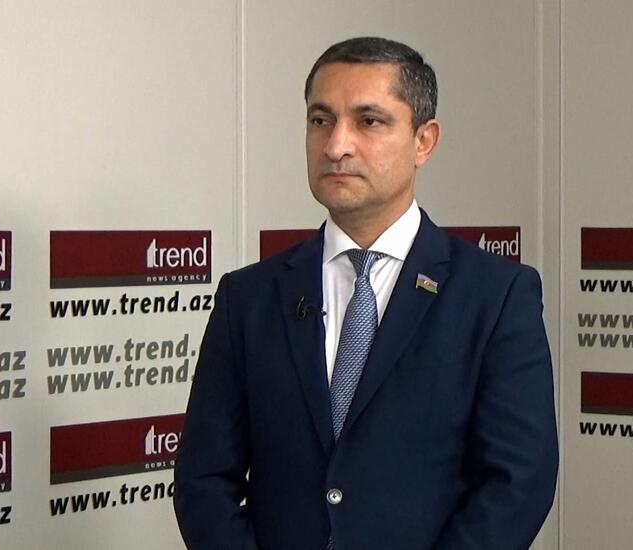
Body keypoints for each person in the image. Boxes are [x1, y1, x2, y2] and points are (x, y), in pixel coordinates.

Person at [174, 36, 558, 550]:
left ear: (424, 141)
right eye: (321, 120)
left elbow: (518, 483)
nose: (336, 146)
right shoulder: (248, 298)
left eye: (368, 121)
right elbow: (203, 480)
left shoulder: (495, 296)